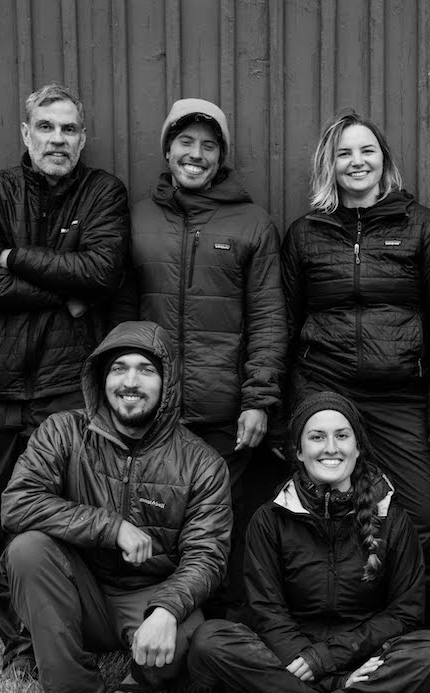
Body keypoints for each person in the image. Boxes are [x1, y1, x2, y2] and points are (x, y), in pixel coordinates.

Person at [0, 82, 129, 675]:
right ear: (26, 133)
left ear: (83, 137)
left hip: (63, 390)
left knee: (65, 511)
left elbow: (103, 273)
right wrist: (64, 292)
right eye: (47, 127)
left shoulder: (102, 192)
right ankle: (19, 643)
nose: (58, 139)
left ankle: (65, 629)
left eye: (69, 129)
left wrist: (15, 257)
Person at [0, 321, 231, 693]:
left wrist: (165, 611)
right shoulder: (64, 431)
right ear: (100, 378)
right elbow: (17, 503)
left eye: (146, 370)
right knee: (27, 550)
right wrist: (111, 526)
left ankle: (141, 675)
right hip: (77, 590)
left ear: (168, 383)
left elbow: (207, 555)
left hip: (148, 596)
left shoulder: (202, 463)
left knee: (189, 637)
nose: (130, 382)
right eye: (118, 369)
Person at [187, 391, 430, 693]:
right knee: (211, 640)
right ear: (298, 450)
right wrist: (323, 672)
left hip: (364, 656)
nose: (331, 448)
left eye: (342, 436)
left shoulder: (392, 519)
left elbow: (406, 612)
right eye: (317, 436)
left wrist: (327, 657)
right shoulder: (270, 519)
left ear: (359, 447)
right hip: (288, 660)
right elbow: (265, 608)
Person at [281, 109, 430, 609]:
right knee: (333, 510)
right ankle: (340, 616)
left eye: (367, 151)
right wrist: (293, 411)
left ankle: (417, 624)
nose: (356, 161)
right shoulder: (305, 234)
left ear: (384, 161)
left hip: (401, 396)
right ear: (329, 165)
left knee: (426, 514)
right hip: (327, 394)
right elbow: (284, 323)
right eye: (344, 153)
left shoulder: (422, 227)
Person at [116, 98, 288, 612]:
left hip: (222, 412)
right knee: (152, 520)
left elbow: (268, 318)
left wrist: (258, 398)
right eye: (185, 142)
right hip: (149, 408)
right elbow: (120, 316)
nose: (196, 154)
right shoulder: (137, 219)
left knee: (215, 526)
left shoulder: (252, 222)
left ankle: (213, 635)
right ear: (168, 150)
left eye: (208, 146)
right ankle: (151, 624)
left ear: (221, 156)